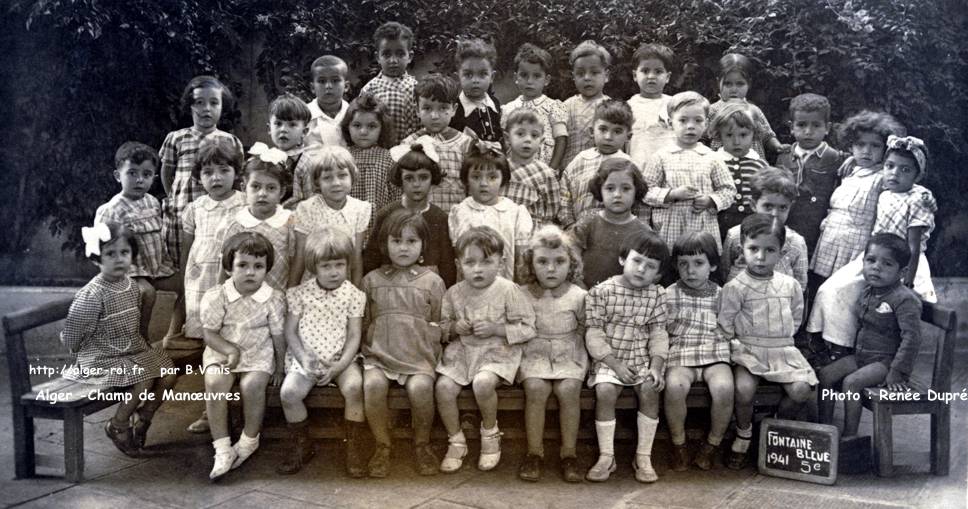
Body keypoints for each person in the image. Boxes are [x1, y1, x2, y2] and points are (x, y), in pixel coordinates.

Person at [808, 135, 938, 356]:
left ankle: (881, 356)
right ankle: (835, 344)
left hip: (903, 262)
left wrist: (907, 278)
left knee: (890, 308)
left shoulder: (918, 198)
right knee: (833, 289)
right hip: (874, 255)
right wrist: (851, 159)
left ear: (918, 175)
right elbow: (867, 167)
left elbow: (914, 246)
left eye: (905, 170)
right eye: (890, 166)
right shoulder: (884, 191)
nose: (895, 173)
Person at [62, 222, 177, 456]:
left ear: (132, 256)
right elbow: (72, 336)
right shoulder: (92, 294)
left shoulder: (131, 286)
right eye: (110, 254)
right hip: (100, 357)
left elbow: (131, 325)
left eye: (124, 253)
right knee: (144, 377)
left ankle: (144, 416)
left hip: (127, 350)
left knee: (168, 371)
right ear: (97, 258)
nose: (118, 259)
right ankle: (118, 424)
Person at [435, 227, 537, 473]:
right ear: (459, 264)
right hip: (463, 352)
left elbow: (528, 328)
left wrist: (496, 329)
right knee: (443, 387)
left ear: (501, 263)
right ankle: (456, 440)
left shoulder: (508, 289)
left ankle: (490, 434)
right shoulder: (454, 292)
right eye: (470, 262)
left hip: (497, 352)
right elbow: (441, 327)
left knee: (482, 383)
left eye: (486, 262)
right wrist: (454, 327)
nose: (478, 269)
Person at [720, 214, 817, 470]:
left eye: (769, 250)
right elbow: (726, 323)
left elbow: (796, 316)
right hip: (748, 350)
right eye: (754, 249)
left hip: (782, 349)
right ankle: (744, 432)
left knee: (801, 390)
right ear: (742, 248)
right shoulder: (736, 286)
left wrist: (781, 340)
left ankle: (773, 427)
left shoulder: (790, 284)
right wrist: (738, 347)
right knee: (744, 389)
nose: (761, 257)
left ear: (781, 252)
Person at [361, 210, 446, 477]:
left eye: (411, 241)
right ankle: (382, 445)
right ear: (384, 244)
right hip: (380, 355)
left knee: (421, 389)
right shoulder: (371, 280)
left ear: (423, 245)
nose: (403, 247)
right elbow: (365, 323)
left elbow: (439, 323)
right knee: (372, 385)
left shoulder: (432, 281)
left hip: (417, 357)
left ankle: (422, 444)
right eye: (396, 241)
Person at [277, 227, 367, 477]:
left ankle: (354, 447)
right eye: (326, 266)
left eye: (340, 264)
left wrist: (341, 365)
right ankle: (302, 445)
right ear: (313, 266)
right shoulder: (299, 294)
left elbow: (354, 335)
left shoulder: (354, 295)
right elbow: (290, 332)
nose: (334, 272)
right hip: (307, 358)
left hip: (342, 358)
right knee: (289, 393)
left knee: (353, 388)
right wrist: (304, 358)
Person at [818, 233, 922, 441]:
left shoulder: (904, 299)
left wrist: (897, 372)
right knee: (825, 375)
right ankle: (824, 429)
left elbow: (912, 339)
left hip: (885, 362)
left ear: (902, 272)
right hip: (862, 356)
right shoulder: (869, 291)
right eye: (871, 260)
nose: (876, 267)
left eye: (887, 264)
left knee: (851, 383)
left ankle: (850, 437)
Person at [584, 230, 669, 483]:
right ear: (623, 259)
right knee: (606, 391)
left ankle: (643, 456)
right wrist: (614, 364)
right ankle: (606, 456)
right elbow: (594, 333)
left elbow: (658, 334)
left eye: (650, 266)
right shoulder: (601, 292)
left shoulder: (657, 295)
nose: (642, 269)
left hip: (641, 360)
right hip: (609, 360)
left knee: (650, 389)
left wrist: (656, 366)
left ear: (659, 274)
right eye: (637, 261)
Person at [201, 232, 286, 480]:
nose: (251, 272)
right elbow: (209, 334)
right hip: (222, 350)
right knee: (216, 382)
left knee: (252, 385)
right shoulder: (217, 296)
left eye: (258, 266)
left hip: (258, 351)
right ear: (229, 268)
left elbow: (278, 336)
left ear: (267, 269)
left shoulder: (273, 298)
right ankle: (222, 448)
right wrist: (230, 350)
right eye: (243, 265)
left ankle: (249, 440)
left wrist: (280, 367)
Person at [516, 226, 587, 483]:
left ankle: (569, 454)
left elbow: (584, 327)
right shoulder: (522, 294)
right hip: (535, 351)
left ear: (571, 264)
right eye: (542, 261)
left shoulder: (579, 296)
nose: (551, 268)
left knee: (568, 389)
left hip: (569, 350)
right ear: (531, 264)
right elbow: (519, 326)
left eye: (559, 261)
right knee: (535, 388)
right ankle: (534, 453)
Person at [95, 142, 183, 342]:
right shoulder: (111, 210)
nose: (139, 180)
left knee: (186, 285)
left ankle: (176, 332)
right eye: (132, 173)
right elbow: (99, 247)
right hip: (131, 270)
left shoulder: (152, 202)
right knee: (146, 293)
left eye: (146, 174)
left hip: (156, 267)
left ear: (153, 177)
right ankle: (140, 340)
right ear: (118, 176)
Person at [663, 232, 733, 471]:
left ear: (712, 265)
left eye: (698, 263)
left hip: (714, 352)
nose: (690, 271)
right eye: (683, 264)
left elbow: (729, 327)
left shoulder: (721, 294)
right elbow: (662, 329)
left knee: (724, 388)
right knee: (674, 386)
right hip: (681, 351)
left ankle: (712, 444)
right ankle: (679, 444)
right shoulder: (669, 294)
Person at [159, 75, 244, 266]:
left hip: (217, 213)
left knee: (212, 255)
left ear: (222, 107)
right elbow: (166, 173)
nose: (206, 109)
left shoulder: (230, 141)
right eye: (199, 102)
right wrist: (173, 197)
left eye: (214, 103)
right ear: (190, 106)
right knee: (182, 258)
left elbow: (237, 177)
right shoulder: (176, 138)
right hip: (182, 210)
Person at [642, 91, 736, 251]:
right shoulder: (660, 156)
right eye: (683, 120)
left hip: (701, 228)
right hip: (669, 231)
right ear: (671, 123)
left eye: (697, 120)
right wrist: (671, 194)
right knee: (669, 269)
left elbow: (728, 190)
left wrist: (710, 200)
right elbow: (645, 191)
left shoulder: (712, 157)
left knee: (700, 264)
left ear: (706, 124)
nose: (690, 126)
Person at [363, 141, 457, 287]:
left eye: (423, 177)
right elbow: (371, 259)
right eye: (409, 178)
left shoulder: (440, 217)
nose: (416, 184)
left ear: (433, 178)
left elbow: (447, 267)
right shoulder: (386, 214)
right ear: (400, 179)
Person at [448, 143, 534, 282]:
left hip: (504, 286)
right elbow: (456, 255)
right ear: (466, 180)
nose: (483, 183)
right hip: (470, 288)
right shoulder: (460, 212)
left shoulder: (515, 212)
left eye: (492, 177)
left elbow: (521, 258)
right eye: (476, 177)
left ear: (503, 180)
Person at [775, 93, 847, 255]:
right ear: (791, 127)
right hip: (786, 223)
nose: (808, 131)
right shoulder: (783, 156)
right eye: (801, 125)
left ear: (827, 128)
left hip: (817, 228)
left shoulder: (835, 158)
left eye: (816, 125)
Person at [289, 146, 371, 287]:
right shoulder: (307, 209)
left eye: (342, 175)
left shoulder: (360, 209)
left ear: (352, 176)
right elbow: (300, 256)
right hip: (312, 288)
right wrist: (291, 290)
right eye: (327, 178)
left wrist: (357, 294)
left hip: (344, 287)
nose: (336, 183)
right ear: (317, 182)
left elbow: (356, 257)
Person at [217, 146, 294, 292]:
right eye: (256, 187)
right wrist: (220, 298)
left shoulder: (289, 221)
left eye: (271, 188)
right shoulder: (236, 223)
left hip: (278, 295)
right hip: (243, 298)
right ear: (244, 188)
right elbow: (225, 266)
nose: (262, 194)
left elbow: (295, 261)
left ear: (282, 192)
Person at [569, 158, 653, 289]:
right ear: (599, 190)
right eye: (610, 188)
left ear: (637, 191)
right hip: (584, 294)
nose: (617, 195)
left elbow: (648, 270)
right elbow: (570, 258)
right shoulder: (588, 223)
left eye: (626, 188)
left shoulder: (643, 232)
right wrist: (581, 288)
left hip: (624, 300)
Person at [721, 167, 809, 290]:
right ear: (753, 205)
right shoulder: (735, 235)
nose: (774, 214)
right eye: (768, 206)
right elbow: (725, 272)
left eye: (782, 207)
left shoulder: (795, 242)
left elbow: (800, 285)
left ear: (790, 207)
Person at [400, 74, 476, 213]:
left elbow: (471, 185)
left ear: (454, 109)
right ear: (417, 110)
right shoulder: (409, 144)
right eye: (427, 108)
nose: (434, 115)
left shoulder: (465, 143)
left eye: (443, 108)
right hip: (419, 218)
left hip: (454, 215)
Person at [558, 99, 634, 228]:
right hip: (579, 231)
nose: (608, 137)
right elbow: (564, 196)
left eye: (617, 131)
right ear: (591, 131)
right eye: (603, 129)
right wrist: (570, 225)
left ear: (628, 136)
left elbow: (637, 202)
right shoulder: (579, 161)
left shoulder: (629, 164)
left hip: (616, 232)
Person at [707, 53, 787, 160]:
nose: (734, 89)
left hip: (753, 165)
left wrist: (778, 147)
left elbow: (767, 136)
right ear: (718, 82)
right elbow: (701, 137)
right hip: (723, 166)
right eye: (727, 84)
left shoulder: (754, 111)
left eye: (740, 84)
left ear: (749, 83)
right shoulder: (712, 111)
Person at [501, 43, 568, 169]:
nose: (530, 81)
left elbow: (561, 140)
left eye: (536, 76)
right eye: (524, 75)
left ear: (546, 80)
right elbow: (505, 143)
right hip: (516, 170)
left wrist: (551, 170)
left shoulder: (553, 107)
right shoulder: (508, 109)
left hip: (545, 169)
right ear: (516, 77)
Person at [708, 102, 768, 238]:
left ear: (754, 133)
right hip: (720, 220)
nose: (736, 141)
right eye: (729, 135)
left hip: (752, 220)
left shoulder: (759, 164)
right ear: (719, 135)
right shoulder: (713, 161)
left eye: (743, 135)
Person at [342, 93, 400, 222]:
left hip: (379, 225)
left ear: (382, 128)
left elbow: (397, 197)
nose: (363, 132)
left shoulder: (388, 158)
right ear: (348, 127)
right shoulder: (343, 157)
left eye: (372, 126)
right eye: (357, 125)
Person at [359, 21, 420, 144]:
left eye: (400, 54)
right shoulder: (369, 90)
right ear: (377, 57)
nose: (393, 60)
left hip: (409, 150)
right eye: (386, 54)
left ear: (410, 56)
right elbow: (362, 122)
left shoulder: (416, 88)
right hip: (378, 151)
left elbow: (422, 123)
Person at [502, 108, 562, 229]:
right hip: (503, 227)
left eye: (534, 135)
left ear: (541, 141)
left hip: (531, 232)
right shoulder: (500, 168)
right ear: (507, 138)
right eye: (520, 134)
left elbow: (552, 209)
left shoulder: (545, 173)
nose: (528, 139)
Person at [562, 40, 612, 168]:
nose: (587, 78)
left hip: (601, 169)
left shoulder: (610, 106)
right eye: (580, 73)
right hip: (570, 169)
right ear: (573, 77)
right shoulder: (565, 106)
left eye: (594, 73)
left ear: (606, 76)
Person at [627, 43, 678, 169]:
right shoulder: (628, 107)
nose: (651, 76)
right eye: (645, 71)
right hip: (638, 169)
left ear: (668, 77)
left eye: (658, 71)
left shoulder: (675, 105)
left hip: (670, 168)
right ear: (634, 75)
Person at [450, 38, 503, 147]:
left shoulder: (495, 104)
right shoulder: (454, 111)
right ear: (457, 77)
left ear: (492, 77)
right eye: (468, 74)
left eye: (482, 74)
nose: (475, 80)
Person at [265, 93, 311, 204]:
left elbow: (311, 200)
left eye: (292, 125)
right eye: (278, 123)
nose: (283, 129)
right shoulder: (266, 158)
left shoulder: (306, 162)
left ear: (304, 132)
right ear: (269, 128)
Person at [304, 55, 350, 148]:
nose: (328, 86)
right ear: (312, 88)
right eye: (322, 81)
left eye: (335, 80)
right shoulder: (303, 116)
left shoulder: (353, 113)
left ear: (346, 86)